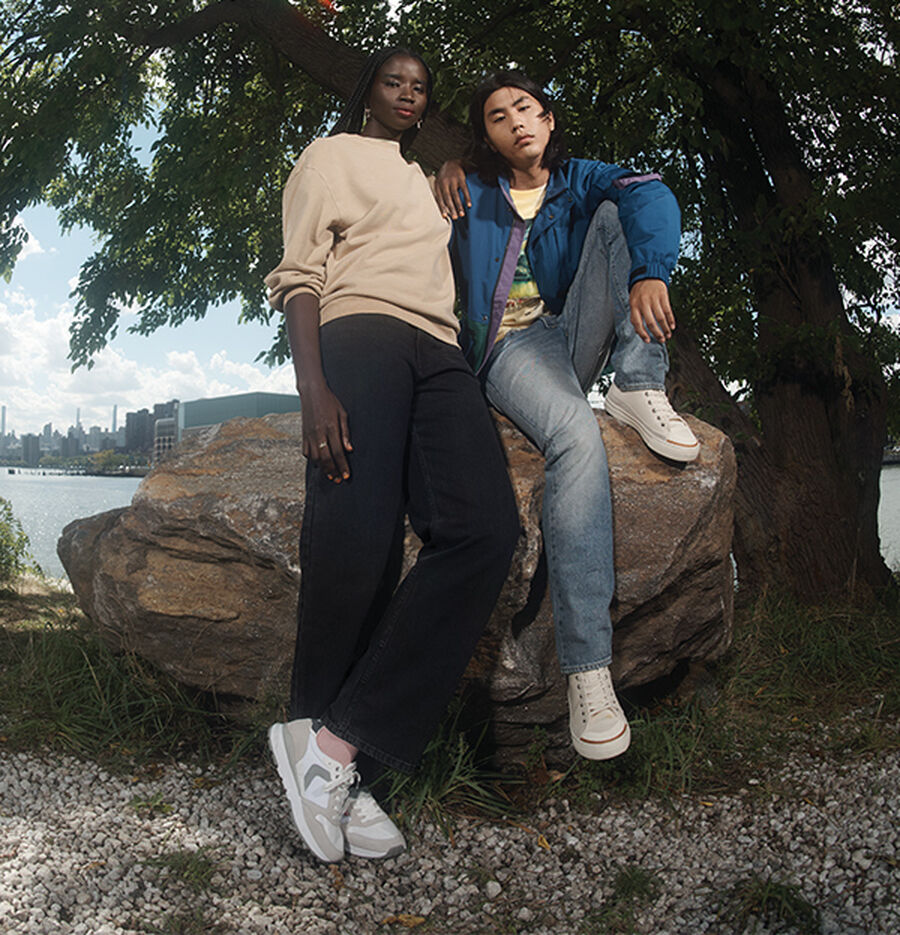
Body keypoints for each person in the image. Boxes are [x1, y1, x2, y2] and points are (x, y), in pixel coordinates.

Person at [264, 49, 520, 863]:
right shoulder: (328, 156)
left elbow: (494, 191)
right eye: (393, 82)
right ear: (367, 91)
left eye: (420, 88)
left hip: (440, 350)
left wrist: (453, 168)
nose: (408, 94)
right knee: (358, 532)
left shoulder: (427, 179)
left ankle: (335, 744)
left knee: (486, 529)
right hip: (360, 333)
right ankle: (331, 753)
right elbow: (299, 275)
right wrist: (313, 388)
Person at [435, 71, 699, 763]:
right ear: (486, 136)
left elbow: (650, 192)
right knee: (577, 438)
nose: (516, 122)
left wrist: (651, 271)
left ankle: (637, 384)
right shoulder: (472, 191)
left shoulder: (580, 177)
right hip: (510, 347)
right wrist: (445, 170)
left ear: (548, 118)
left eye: (525, 108)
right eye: (498, 117)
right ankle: (589, 671)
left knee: (621, 212)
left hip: (570, 330)